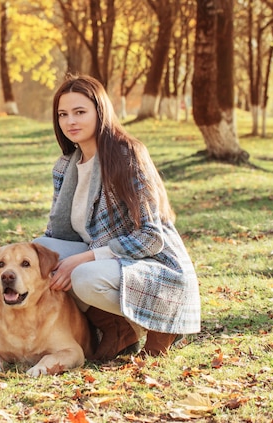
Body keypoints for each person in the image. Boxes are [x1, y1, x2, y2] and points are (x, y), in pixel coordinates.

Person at [34, 74, 201, 359]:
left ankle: (162, 326)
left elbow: (151, 238)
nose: (70, 121)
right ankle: (117, 328)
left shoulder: (127, 155)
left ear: (100, 112)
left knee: (83, 275)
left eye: (80, 112)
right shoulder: (65, 166)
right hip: (107, 258)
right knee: (39, 257)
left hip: (154, 263)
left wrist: (84, 258)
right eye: (63, 114)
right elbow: (56, 235)